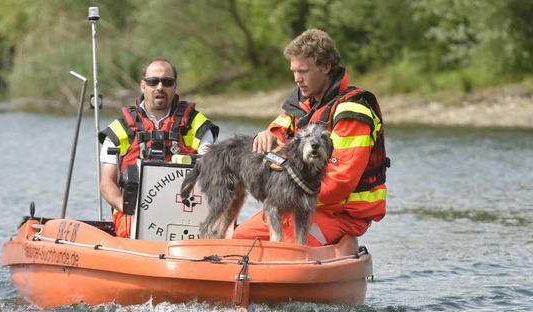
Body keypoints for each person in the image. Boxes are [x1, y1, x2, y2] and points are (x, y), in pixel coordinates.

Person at [233, 29, 389, 247]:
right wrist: (267, 134)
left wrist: (287, 194)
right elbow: (278, 135)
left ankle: (340, 249)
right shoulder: (303, 103)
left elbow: (339, 183)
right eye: (294, 71)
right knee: (239, 239)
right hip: (294, 202)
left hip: (339, 213)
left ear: (326, 67)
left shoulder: (353, 111)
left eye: (303, 71)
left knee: (289, 247)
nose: (297, 79)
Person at [99, 57, 219, 238]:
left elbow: (211, 171)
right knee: (127, 228)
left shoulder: (197, 124)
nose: (160, 87)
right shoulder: (120, 128)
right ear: (143, 86)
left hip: (184, 209)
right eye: (153, 81)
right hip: (133, 212)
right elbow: (107, 183)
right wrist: (126, 206)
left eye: (167, 82)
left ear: (175, 87)